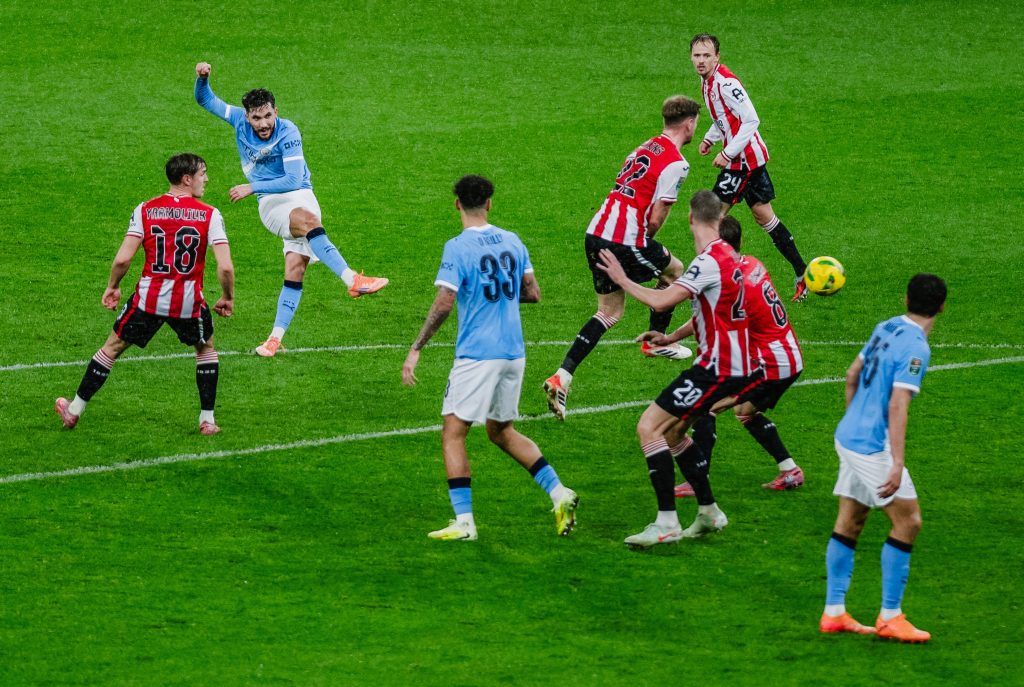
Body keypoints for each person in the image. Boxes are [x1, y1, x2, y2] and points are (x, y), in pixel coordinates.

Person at [402, 175, 579, 541]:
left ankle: (464, 522)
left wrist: (417, 346)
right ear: (489, 203)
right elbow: (532, 293)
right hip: (513, 352)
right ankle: (560, 493)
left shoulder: (457, 247)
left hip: (478, 355)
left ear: (457, 205)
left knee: (453, 433)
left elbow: (444, 302)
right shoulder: (513, 241)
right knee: (501, 431)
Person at [596, 190, 763, 549]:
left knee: (649, 426)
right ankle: (708, 512)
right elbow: (712, 309)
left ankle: (666, 522)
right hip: (736, 365)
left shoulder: (707, 262)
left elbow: (662, 298)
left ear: (690, 219)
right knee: (672, 435)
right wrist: (669, 335)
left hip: (715, 368)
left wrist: (623, 279)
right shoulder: (732, 257)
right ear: (719, 220)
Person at [194, 62, 387, 357]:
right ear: (247, 116)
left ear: (276, 111)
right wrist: (203, 79)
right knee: (307, 222)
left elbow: (294, 179)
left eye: (268, 115)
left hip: (299, 194)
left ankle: (273, 339)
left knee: (295, 269)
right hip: (272, 205)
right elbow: (205, 99)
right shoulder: (238, 120)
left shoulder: (289, 131)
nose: (263, 124)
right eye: (256, 118)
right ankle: (352, 280)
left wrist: (251, 187)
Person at [543, 96, 702, 421]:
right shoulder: (677, 162)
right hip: (623, 238)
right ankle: (656, 341)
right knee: (676, 272)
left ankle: (562, 377)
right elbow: (656, 218)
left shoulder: (645, 146)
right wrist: (642, 247)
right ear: (689, 123)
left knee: (609, 312)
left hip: (596, 230)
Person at [54, 153, 235, 434]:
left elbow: (123, 260)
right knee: (206, 349)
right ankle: (207, 421)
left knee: (112, 348)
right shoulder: (210, 214)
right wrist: (227, 296)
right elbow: (225, 267)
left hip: (147, 300)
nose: (206, 179)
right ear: (187, 179)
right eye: (203, 174)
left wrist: (113, 286)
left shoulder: (145, 209)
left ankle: (74, 409)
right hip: (188, 302)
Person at [819, 274, 946, 642]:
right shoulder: (917, 349)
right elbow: (898, 402)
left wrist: (851, 419)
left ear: (906, 298)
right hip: (871, 447)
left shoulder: (887, 325)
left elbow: (851, 374)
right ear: (942, 306)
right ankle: (891, 616)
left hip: (849, 436)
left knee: (853, 519)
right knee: (909, 522)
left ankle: (834, 612)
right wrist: (894, 463)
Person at [638, 216, 805, 495]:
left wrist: (670, 337)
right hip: (789, 355)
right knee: (745, 411)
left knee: (708, 405)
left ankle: (696, 478)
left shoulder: (733, 282)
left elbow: (707, 320)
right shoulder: (753, 265)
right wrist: (670, 338)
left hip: (771, 363)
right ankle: (790, 470)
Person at [689, 34, 809, 302]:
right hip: (749, 161)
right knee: (764, 217)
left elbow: (751, 119)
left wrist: (727, 152)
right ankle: (802, 274)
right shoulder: (707, 80)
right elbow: (724, 116)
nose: (701, 60)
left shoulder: (726, 82)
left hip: (741, 164)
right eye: (697, 55)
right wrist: (711, 136)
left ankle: (716, 284)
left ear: (717, 57)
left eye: (706, 55)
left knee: (708, 221)